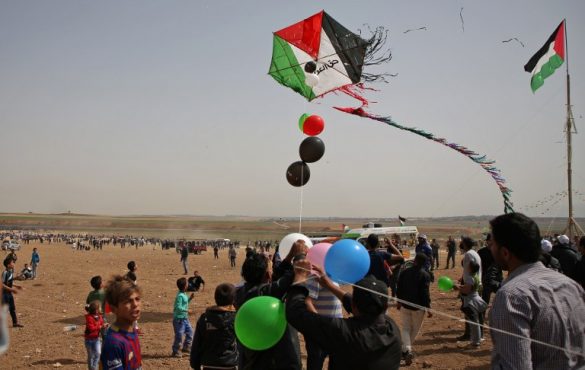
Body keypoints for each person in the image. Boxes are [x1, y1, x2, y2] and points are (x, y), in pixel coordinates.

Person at [489, 213, 585, 369]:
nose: (490, 248)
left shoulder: (512, 296)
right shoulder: (570, 286)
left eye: (492, 244)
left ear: (505, 253)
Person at [286, 263, 402, 370]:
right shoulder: (392, 328)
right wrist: (329, 285)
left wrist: (299, 279)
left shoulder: (343, 332)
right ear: (386, 307)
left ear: (354, 306)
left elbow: (294, 313)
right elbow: (356, 305)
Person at [234, 241, 307, 370]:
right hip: (273, 361)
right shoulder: (267, 293)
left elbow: (277, 280)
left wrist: (289, 256)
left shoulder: (239, 293)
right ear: (268, 275)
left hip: (249, 360)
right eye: (270, 269)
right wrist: (300, 255)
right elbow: (289, 278)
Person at [190, 283, 238, 370]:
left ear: (216, 298)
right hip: (230, 364)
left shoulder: (204, 318)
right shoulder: (236, 319)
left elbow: (197, 345)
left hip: (208, 365)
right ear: (233, 300)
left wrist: (195, 364)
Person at [303, 267, 343, 370]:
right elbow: (307, 302)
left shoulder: (333, 275)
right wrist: (320, 324)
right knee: (316, 362)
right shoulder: (315, 276)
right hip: (320, 330)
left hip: (335, 328)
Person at [100, 275, 143, 370]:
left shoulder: (131, 331)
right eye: (128, 301)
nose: (135, 304)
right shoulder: (114, 343)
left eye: (137, 299)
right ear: (114, 308)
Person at [396, 253, 432, 365]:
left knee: (406, 328)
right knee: (415, 330)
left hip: (405, 305)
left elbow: (399, 287)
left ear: (415, 260)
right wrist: (428, 307)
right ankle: (407, 351)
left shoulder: (405, 272)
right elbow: (425, 294)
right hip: (418, 307)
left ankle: (406, 350)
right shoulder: (425, 275)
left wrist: (399, 301)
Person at [454, 260, 486, 348]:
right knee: (476, 321)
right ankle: (477, 340)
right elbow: (470, 287)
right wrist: (460, 286)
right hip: (476, 299)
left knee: (474, 323)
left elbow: (467, 290)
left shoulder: (470, 278)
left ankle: (475, 343)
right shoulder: (475, 276)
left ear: (471, 268)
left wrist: (458, 288)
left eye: (468, 265)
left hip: (471, 301)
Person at [456, 236, 481, 341]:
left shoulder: (468, 255)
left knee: (470, 312)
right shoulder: (474, 253)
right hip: (474, 284)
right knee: (470, 312)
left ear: (465, 244)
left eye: (462, 242)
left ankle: (471, 336)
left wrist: (462, 286)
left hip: (470, 287)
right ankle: (469, 334)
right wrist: (462, 278)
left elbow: (470, 270)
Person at [477, 234, 502, 305]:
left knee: (501, 300)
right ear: (487, 241)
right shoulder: (481, 252)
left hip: (497, 279)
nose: (493, 242)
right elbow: (478, 266)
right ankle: (482, 316)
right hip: (485, 280)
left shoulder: (499, 252)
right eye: (491, 240)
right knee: (484, 301)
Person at [172, 277, 195, 357]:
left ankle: (186, 347)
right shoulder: (180, 296)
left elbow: (184, 303)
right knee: (179, 335)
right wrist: (187, 311)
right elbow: (178, 307)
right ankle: (176, 351)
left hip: (185, 318)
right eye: (187, 283)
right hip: (179, 320)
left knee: (190, 332)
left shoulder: (184, 294)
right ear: (185, 286)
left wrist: (190, 299)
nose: (188, 284)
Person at [2, 257, 24, 327]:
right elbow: (2, 284)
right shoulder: (5, 273)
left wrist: (17, 286)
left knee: (12, 308)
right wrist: (12, 289)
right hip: (4, 294)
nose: (14, 263)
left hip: (9, 293)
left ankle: (15, 323)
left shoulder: (10, 272)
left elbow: (9, 281)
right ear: (8, 265)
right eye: (12, 262)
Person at [85, 300, 106, 370]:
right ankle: (92, 368)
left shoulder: (99, 317)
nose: (101, 309)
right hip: (89, 340)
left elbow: (101, 324)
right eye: (99, 308)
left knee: (98, 354)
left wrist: (104, 325)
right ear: (96, 310)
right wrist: (100, 327)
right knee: (91, 356)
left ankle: (94, 368)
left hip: (96, 339)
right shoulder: (89, 318)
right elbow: (91, 328)